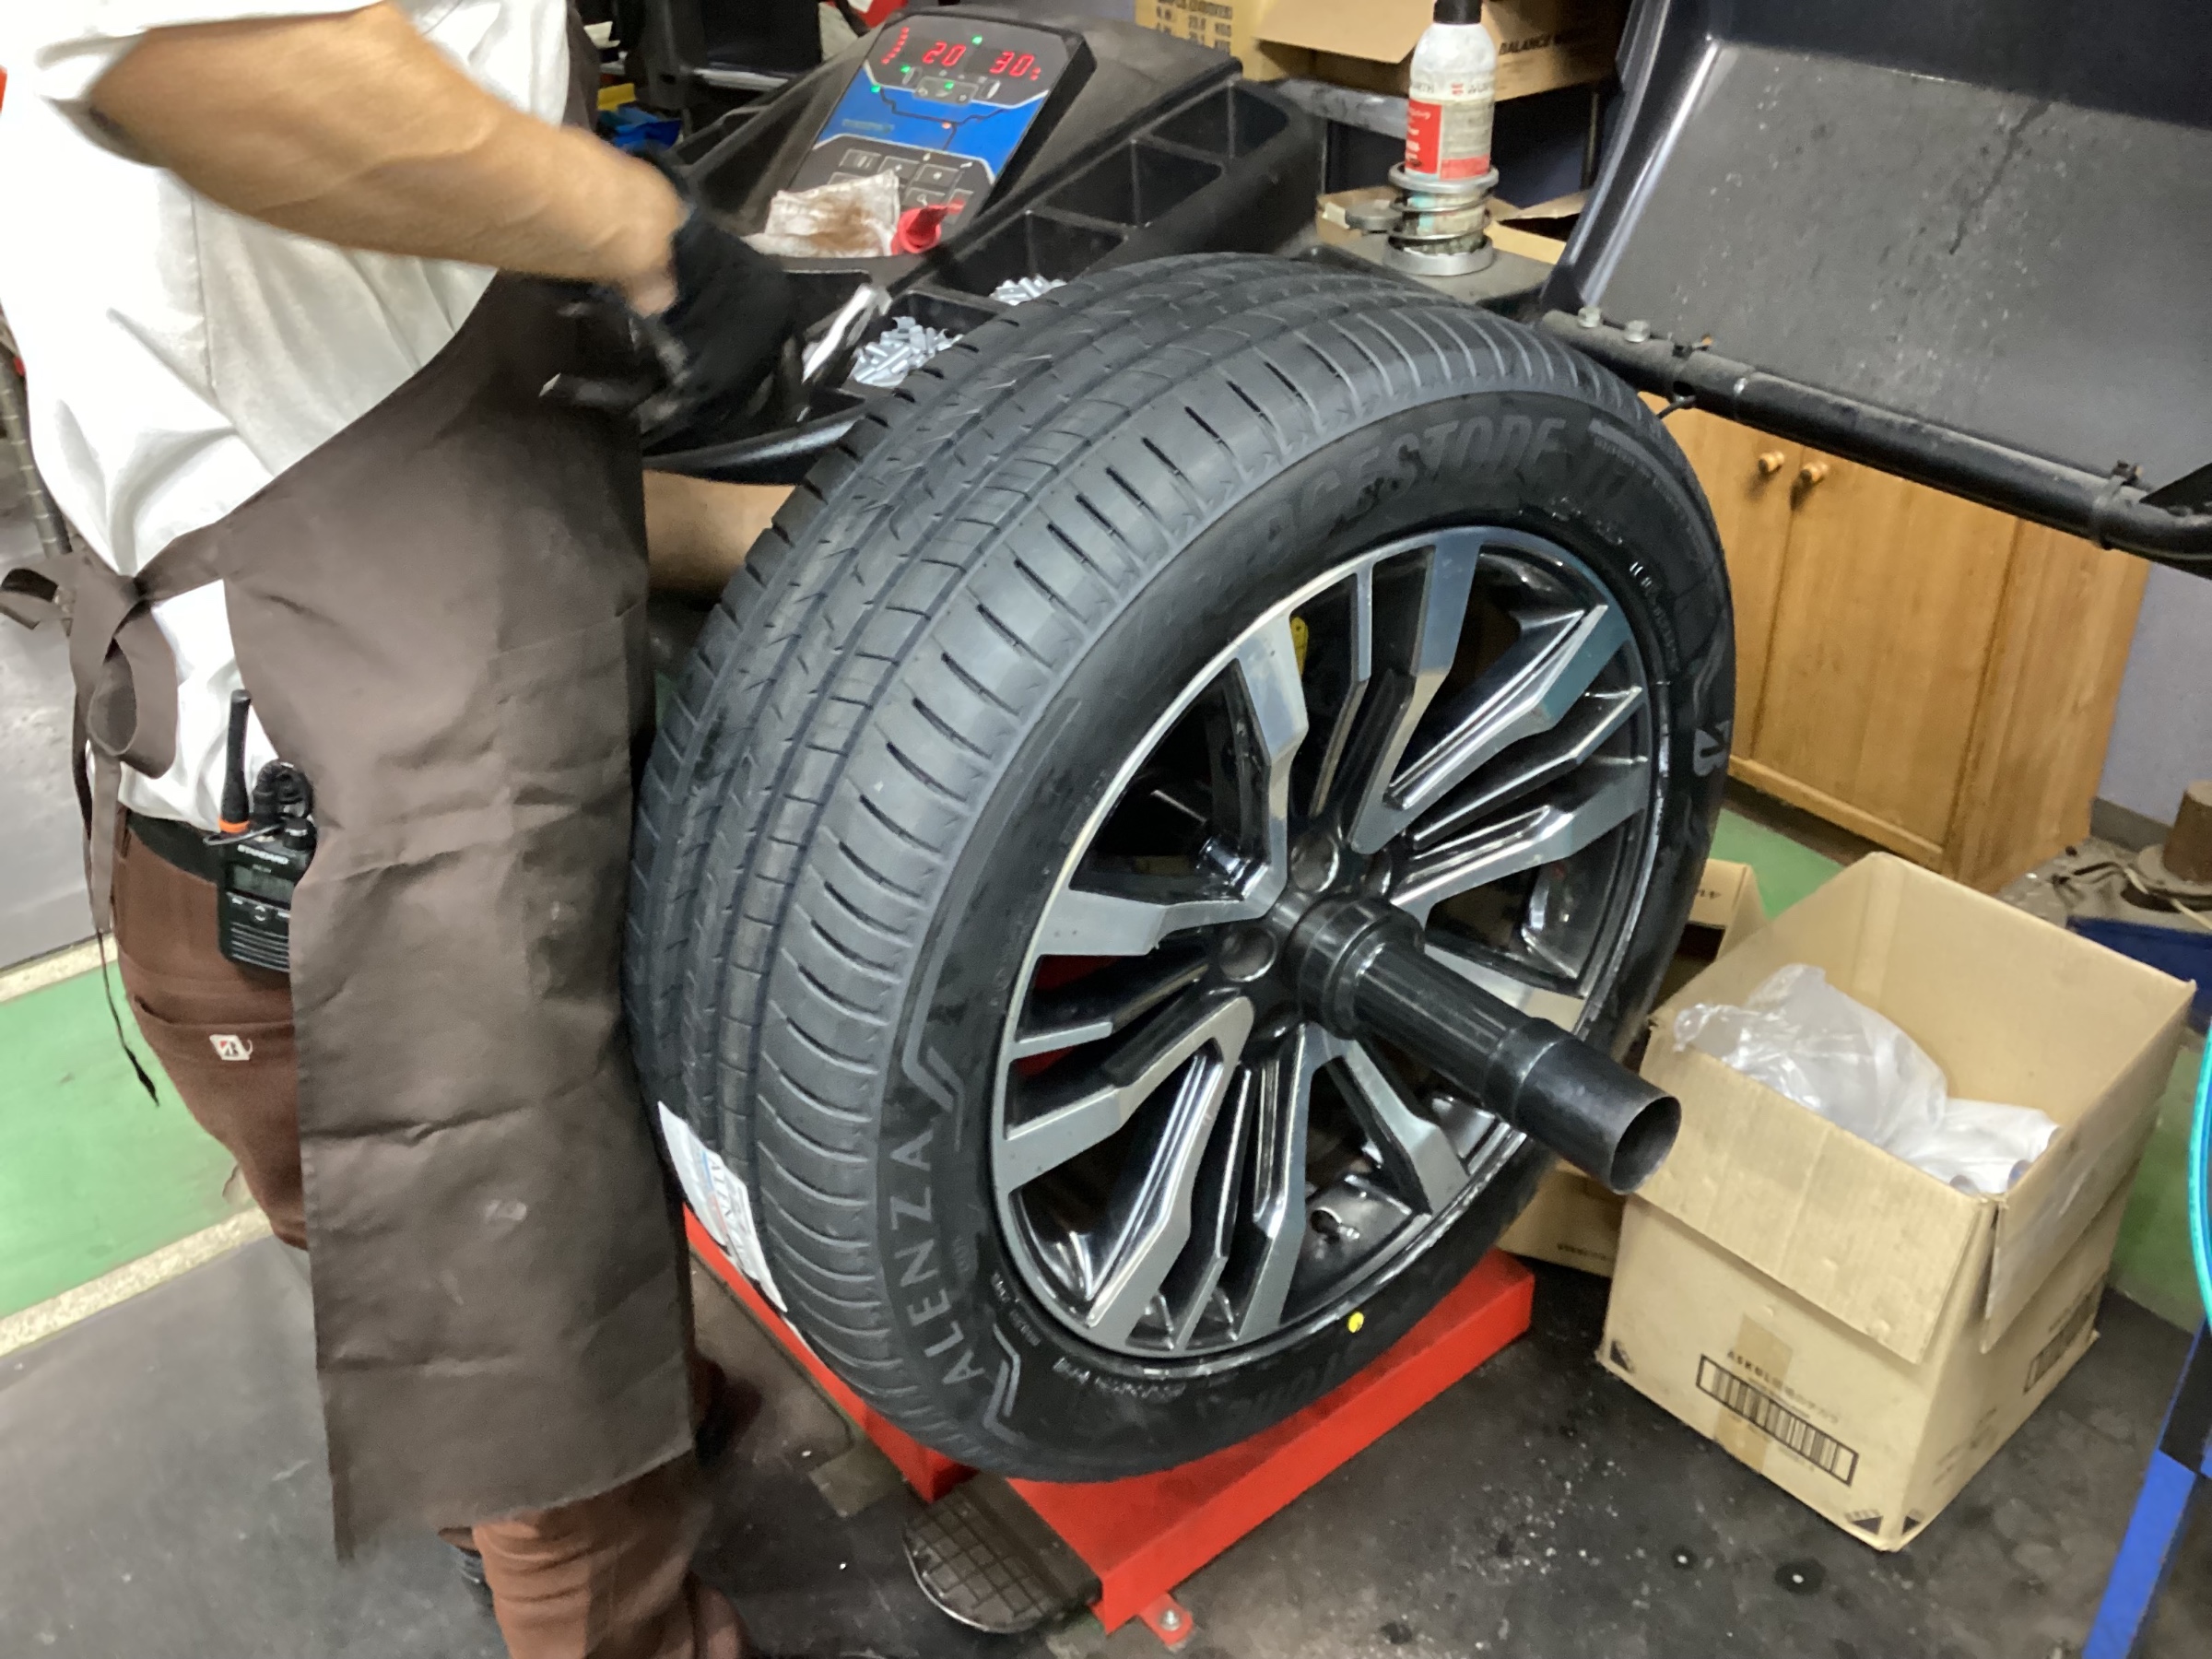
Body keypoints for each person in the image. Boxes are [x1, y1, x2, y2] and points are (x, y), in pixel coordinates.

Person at [0, 5, 807, 1655]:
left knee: (492, 1203)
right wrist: (643, 232)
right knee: (505, 1283)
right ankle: (587, 1552)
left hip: (290, 697)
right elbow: (196, 55)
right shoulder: (213, 64)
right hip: (350, 757)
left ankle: (610, 1426)